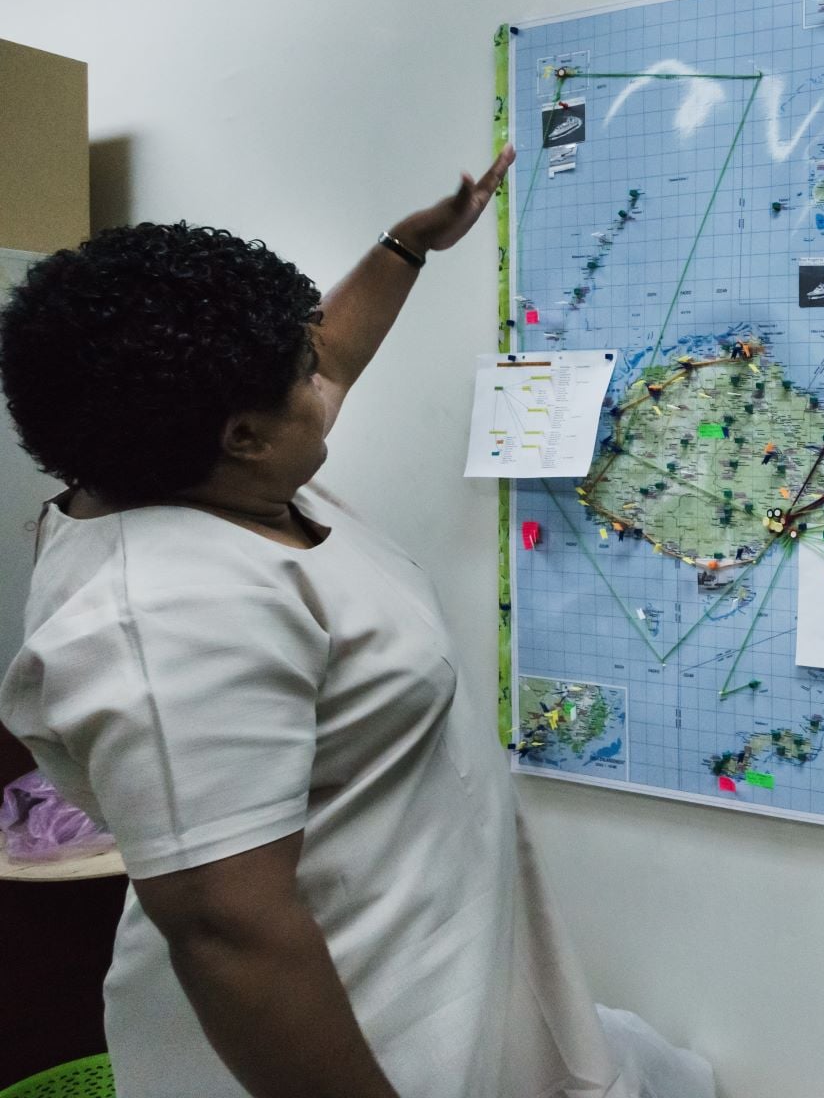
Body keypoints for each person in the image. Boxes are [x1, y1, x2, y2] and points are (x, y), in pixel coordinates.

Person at [0, 148, 632, 1098]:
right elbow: (231, 934)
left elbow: (332, 354)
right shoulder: (166, 619)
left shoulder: (191, 465)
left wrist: (405, 249)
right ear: (244, 435)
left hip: (432, 964)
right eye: (301, 370)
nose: (323, 371)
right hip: (345, 1037)